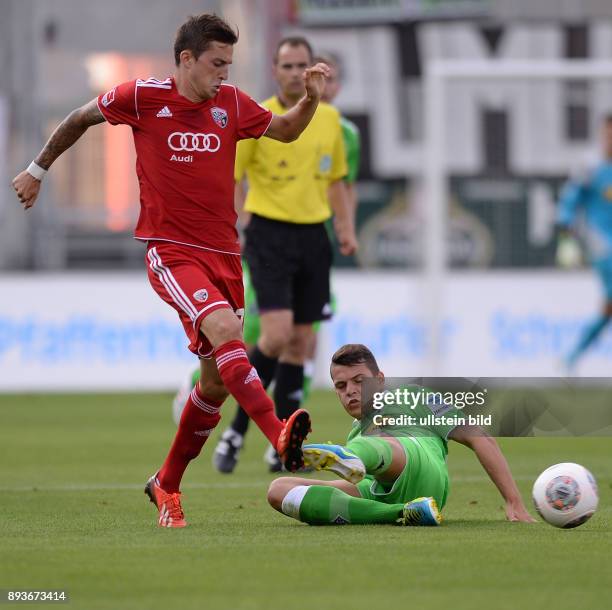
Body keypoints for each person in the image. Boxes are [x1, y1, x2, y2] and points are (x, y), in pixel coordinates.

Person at [11, 14, 333, 528]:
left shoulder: (231, 104)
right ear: (186, 59)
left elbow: (289, 131)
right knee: (228, 331)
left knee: (214, 385)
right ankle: (275, 431)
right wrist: (37, 170)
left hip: (225, 256)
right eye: (216, 64)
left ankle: (166, 483)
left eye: (229, 64)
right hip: (172, 251)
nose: (225, 74)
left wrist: (312, 97)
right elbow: (77, 118)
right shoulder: (141, 97)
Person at [212, 44, 359, 473]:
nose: (297, 73)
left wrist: (346, 231)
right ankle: (237, 430)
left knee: (301, 343)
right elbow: (234, 179)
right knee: (274, 336)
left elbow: (335, 181)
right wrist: (234, 226)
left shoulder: (330, 120)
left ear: (314, 70)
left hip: (314, 236)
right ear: (275, 70)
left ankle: (284, 445)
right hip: (269, 234)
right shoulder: (257, 117)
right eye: (288, 66)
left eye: (303, 65)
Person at [267, 344, 536, 526]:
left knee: (377, 443)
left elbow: (481, 438)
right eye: (341, 385)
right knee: (279, 490)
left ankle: (337, 455)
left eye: (359, 381)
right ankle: (401, 513)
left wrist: (514, 501)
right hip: (379, 491)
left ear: (380, 380)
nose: (350, 390)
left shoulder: (413, 397)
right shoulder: (357, 430)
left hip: (423, 471)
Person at [557, 114, 612, 372]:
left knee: (608, 308)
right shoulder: (591, 167)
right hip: (602, 244)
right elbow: (569, 202)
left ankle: (570, 359)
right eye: (607, 133)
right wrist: (566, 238)